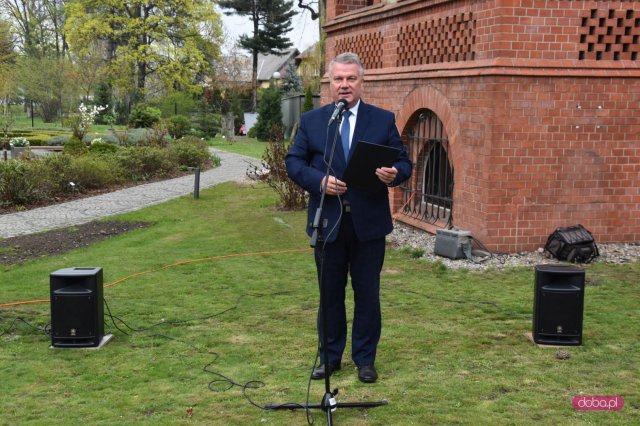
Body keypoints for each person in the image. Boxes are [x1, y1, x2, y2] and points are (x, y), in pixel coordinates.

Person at [285, 52, 412, 383]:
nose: (344, 85)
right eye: (338, 79)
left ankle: (365, 359)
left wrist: (394, 173)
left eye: (351, 78)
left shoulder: (382, 120)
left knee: (367, 293)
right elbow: (294, 163)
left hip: (368, 224)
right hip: (328, 222)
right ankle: (329, 358)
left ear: (362, 81)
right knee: (330, 293)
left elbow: (404, 163)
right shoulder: (314, 121)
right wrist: (320, 181)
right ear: (330, 82)